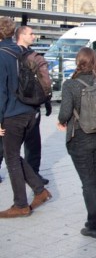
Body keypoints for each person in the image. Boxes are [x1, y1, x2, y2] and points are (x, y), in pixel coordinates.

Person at [57, 47, 96, 238]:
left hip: (80, 138)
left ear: (78, 61)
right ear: (95, 62)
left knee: (88, 182)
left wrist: (62, 121)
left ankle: (94, 225)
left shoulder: (70, 84)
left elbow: (65, 113)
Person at [0, 17, 51, 218]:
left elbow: (1, 92)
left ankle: (21, 204)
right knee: (12, 154)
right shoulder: (23, 52)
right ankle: (40, 190)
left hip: (12, 113)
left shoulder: (2, 55)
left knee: (11, 157)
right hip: (30, 110)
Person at [15, 25, 53, 184]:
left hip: (14, 102)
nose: (34, 36)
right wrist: (47, 97)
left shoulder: (9, 53)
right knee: (32, 143)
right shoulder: (32, 56)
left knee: (9, 143)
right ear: (21, 35)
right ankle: (33, 175)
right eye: (30, 33)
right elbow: (45, 79)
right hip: (30, 103)